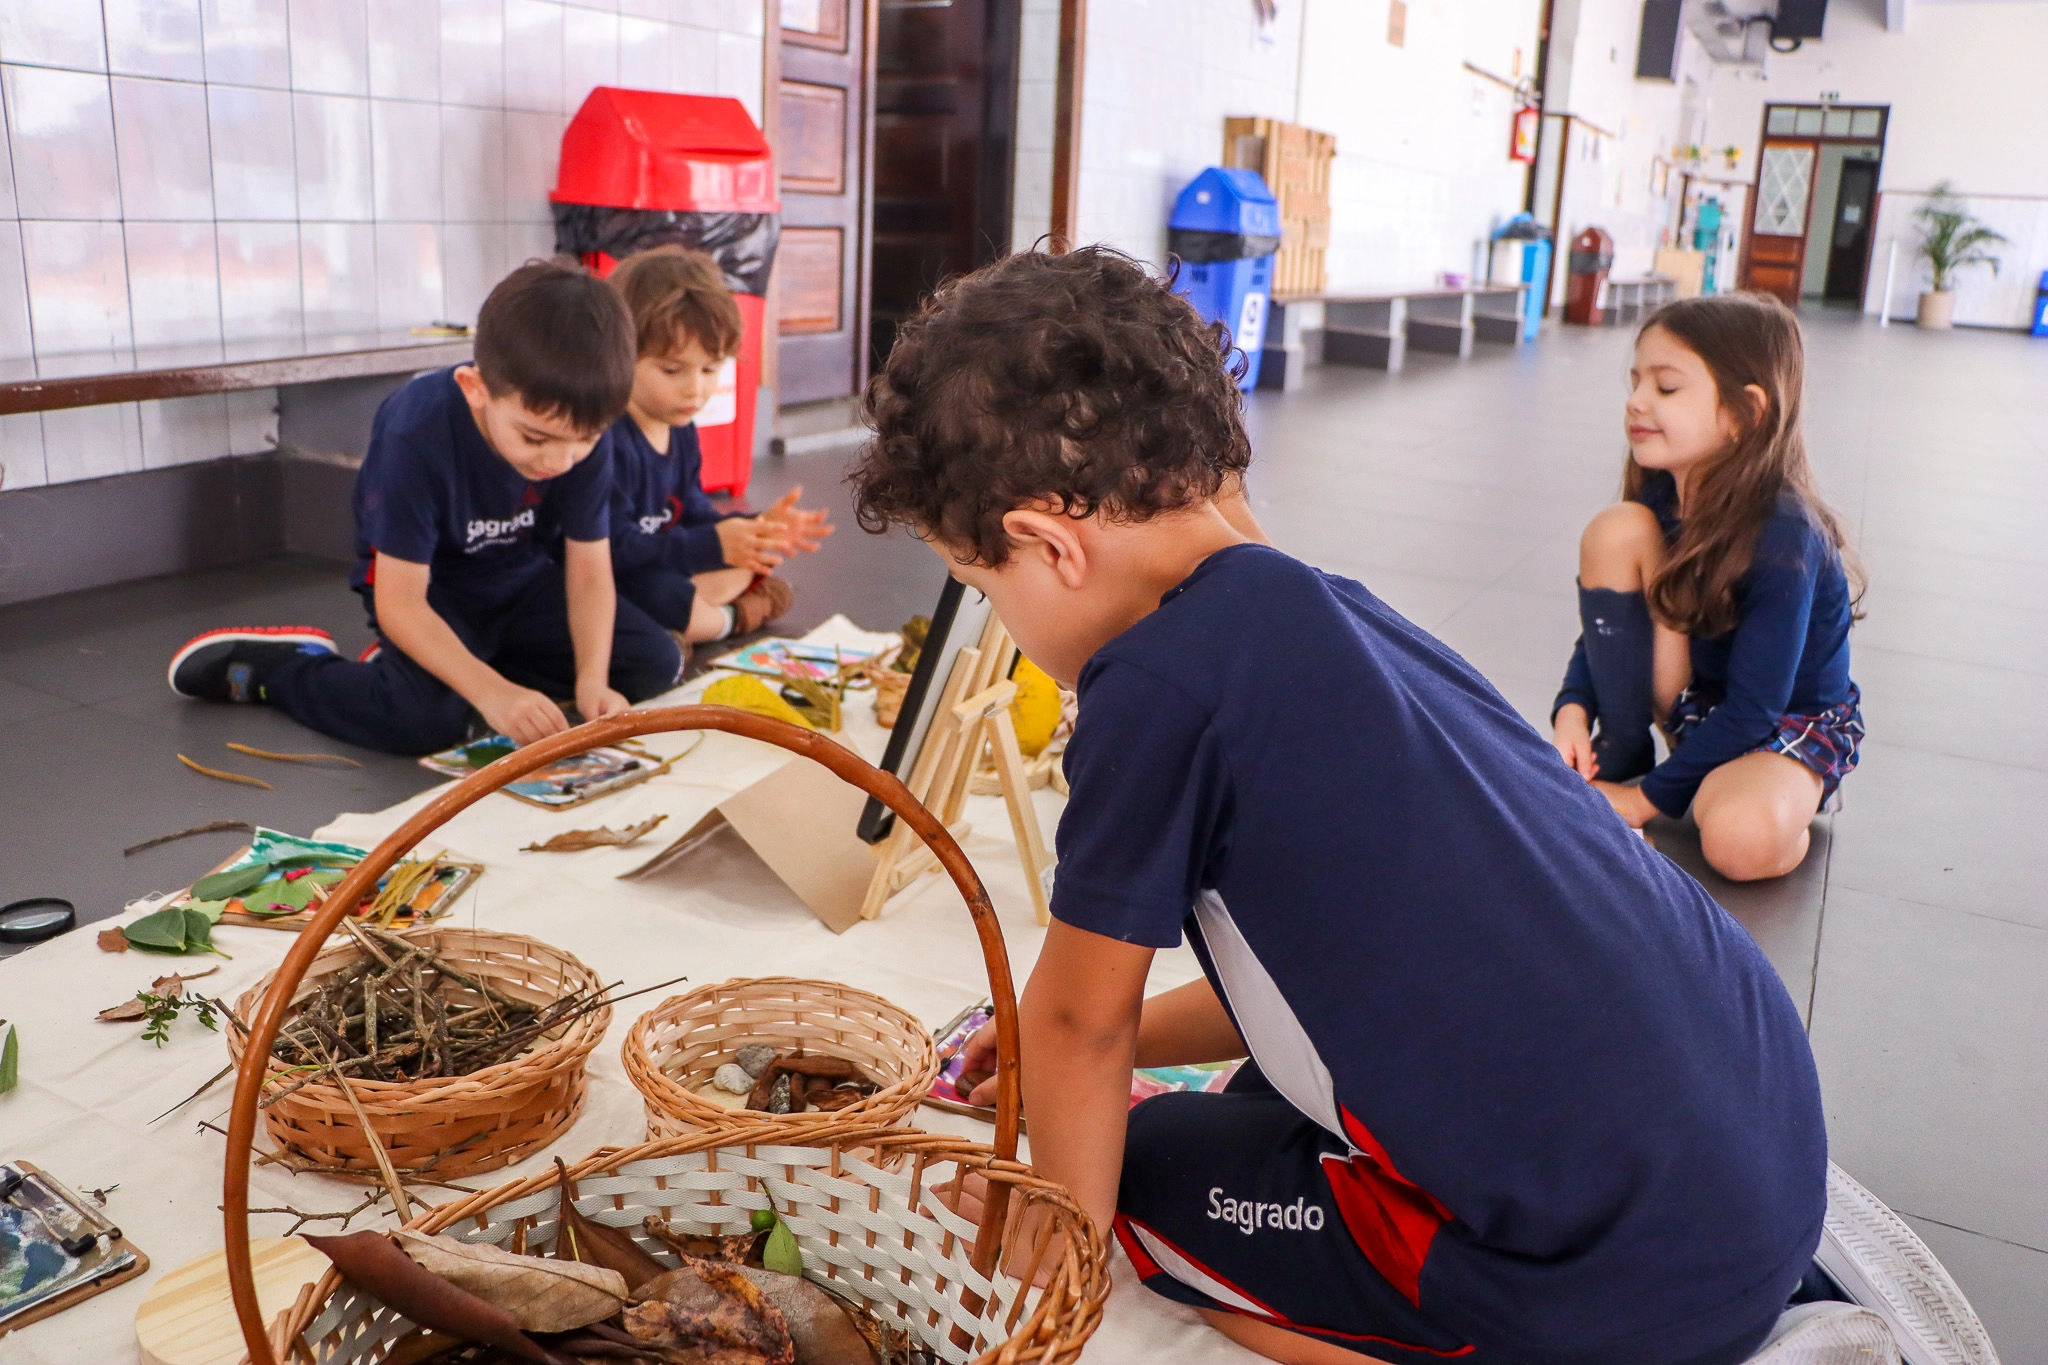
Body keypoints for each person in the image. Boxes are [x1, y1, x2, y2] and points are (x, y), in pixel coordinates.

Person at [849, 248, 1964, 1365]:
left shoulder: (1148, 688)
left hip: (1613, 1286)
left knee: (1137, 1173)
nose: (1005, 622)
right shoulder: (1337, 616)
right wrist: (1072, 1040)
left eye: (986, 589)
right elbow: (1309, 981)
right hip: (1757, 1162)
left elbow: (1077, 1027)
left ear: (1049, 545)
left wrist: (1059, 1242)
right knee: (1242, 1105)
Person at [166, 261, 682, 755]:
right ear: (476, 389)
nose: (560, 461)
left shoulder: (579, 429)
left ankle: (455, 667)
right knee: (421, 720)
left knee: (653, 663)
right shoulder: (416, 431)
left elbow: (589, 572)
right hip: (432, 594)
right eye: (534, 438)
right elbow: (400, 602)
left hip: (520, 584)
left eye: (584, 441)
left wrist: (591, 679)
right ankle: (287, 668)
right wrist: (492, 693)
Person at [1551, 294, 1863, 882]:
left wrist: (1641, 803)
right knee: (1616, 529)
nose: (1636, 401)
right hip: (1700, 707)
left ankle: (1785, 797)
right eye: (1636, 382)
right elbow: (1609, 629)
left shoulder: (1786, 536)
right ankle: (1625, 752)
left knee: (1736, 840)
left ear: (1745, 413)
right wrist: (1573, 709)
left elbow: (1757, 706)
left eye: (1666, 387)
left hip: (1783, 728)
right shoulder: (1662, 500)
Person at [603, 246, 831, 653]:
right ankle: (733, 617)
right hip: (617, 575)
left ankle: (697, 619)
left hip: (664, 564)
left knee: (748, 562)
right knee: (656, 595)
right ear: (621, 356)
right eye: (672, 370)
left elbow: (692, 510)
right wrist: (712, 545)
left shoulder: (681, 429)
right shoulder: (606, 441)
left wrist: (754, 529)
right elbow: (611, 550)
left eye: (710, 369)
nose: (695, 389)